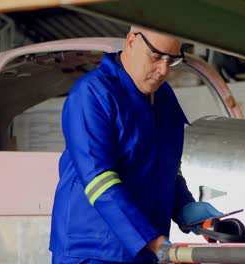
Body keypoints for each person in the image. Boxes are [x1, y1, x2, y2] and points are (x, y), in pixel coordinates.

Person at [50, 26, 222, 263]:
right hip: (94, 251)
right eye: (156, 56)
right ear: (131, 41)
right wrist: (153, 242)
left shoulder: (164, 97)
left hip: (148, 247)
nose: (163, 70)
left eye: (172, 60)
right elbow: (98, 179)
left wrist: (186, 208)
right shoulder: (92, 93)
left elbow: (167, 164)